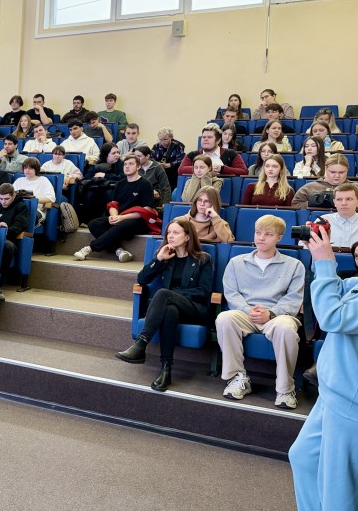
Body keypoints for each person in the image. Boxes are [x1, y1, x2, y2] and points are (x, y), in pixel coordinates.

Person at [290, 226, 358, 511]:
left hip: (350, 403)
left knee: (337, 489)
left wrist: (326, 262)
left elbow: (332, 316)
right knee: (304, 458)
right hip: (332, 392)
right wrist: (321, 261)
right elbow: (340, 289)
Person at [115, 218, 214, 391]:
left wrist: (174, 294)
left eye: (176, 233)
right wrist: (159, 259)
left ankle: (141, 344)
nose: (170, 236)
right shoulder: (166, 256)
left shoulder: (203, 259)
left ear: (188, 237)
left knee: (163, 294)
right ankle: (165, 370)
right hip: (171, 307)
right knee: (169, 311)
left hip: (194, 309)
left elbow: (204, 291)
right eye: (168, 233)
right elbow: (141, 279)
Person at [217, 214, 304, 409]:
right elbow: (231, 293)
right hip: (245, 314)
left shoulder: (294, 265)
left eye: (268, 234)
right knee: (224, 318)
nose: (261, 238)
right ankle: (238, 378)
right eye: (258, 233)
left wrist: (271, 313)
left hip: (278, 315)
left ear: (279, 237)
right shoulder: (236, 262)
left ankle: (285, 389)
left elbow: (294, 298)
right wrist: (248, 310)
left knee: (286, 328)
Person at [75, 152, 155, 263]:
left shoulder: (145, 184)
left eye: (131, 164)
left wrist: (122, 218)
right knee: (94, 224)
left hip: (137, 221)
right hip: (120, 217)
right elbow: (113, 204)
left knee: (121, 224)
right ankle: (119, 250)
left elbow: (146, 210)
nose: (127, 166)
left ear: (138, 167)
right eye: (125, 164)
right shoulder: (120, 184)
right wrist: (114, 216)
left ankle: (90, 248)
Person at [0, 183, 29, 287]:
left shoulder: (21, 207)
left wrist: (7, 229)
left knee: (7, 246)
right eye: (1, 199)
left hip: (7, 239)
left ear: (14, 195)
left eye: (6, 199)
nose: (3, 202)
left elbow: (19, 226)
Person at [78, 142, 124, 222]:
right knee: (89, 194)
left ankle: (106, 219)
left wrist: (105, 175)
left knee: (108, 194)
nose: (117, 155)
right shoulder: (97, 164)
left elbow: (122, 178)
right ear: (106, 155)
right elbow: (87, 177)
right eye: (113, 153)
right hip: (97, 187)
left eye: (118, 152)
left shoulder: (121, 164)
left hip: (112, 188)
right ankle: (89, 220)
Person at [178, 125, 248, 176]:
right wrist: (203, 169)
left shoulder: (231, 154)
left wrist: (222, 169)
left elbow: (244, 171)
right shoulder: (192, 155)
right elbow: (181, 170)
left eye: (209, 137)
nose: (205, 139)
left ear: (218, 140)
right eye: (204, 137)